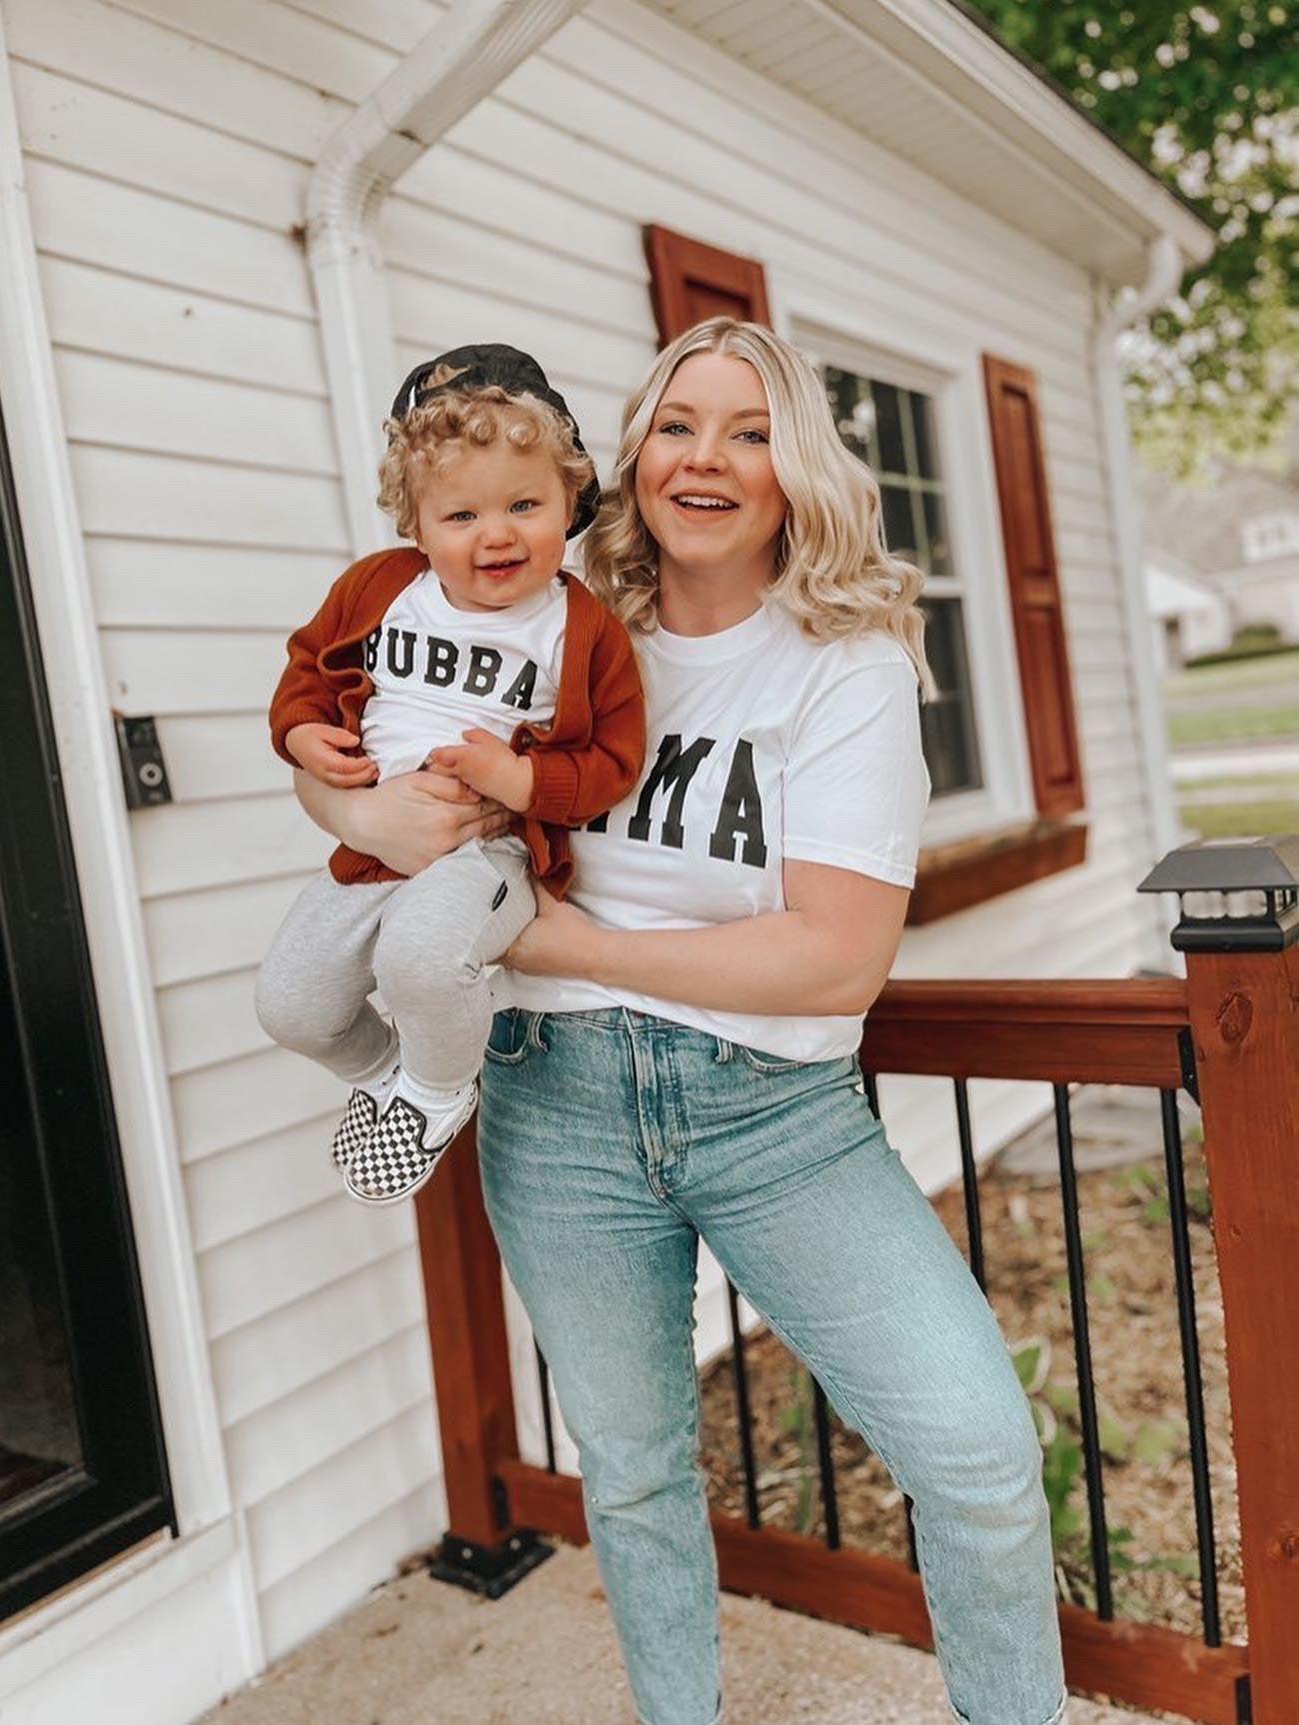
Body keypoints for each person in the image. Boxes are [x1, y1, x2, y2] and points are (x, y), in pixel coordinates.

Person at [295, 318, 1065, 1725]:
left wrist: (565, 939)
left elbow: (837, 960)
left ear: (798, 472)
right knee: (636, 1469)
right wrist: (347, 801)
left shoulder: (845, 665)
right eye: (678, 425)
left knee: (974, 1453)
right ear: (628, 457)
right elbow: (369, 728)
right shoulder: (558, 617)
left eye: (751, 430)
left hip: (773, 1115)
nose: (707, 458)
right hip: (554, 1095)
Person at [257, 345, 644, 1204]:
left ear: (570, 500)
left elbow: (613, 762)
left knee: (422, 960)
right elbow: (306, 673)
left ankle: (437, 1095)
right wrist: (304, 735)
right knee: (290, 1003)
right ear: (417, 524)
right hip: (372, 847)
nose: (496, 532)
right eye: (461, 515)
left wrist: (516, 781)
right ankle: (395, 1072)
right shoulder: (378, 590)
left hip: (485, 854)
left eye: (524, 504)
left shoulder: (581, 630)